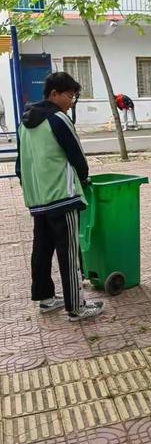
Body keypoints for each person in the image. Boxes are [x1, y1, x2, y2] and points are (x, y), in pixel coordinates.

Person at [17, 72, 104, 321]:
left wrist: (32, 189)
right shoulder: (58, 119)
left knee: (42, 250)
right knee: (68, 252)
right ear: (54, 94)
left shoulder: (24, 123)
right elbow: (77, 156)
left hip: (37, 198)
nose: (71, 101)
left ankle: (45, 298)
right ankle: (76, 307)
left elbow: (19, 165)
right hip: (62, 197)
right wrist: (84, 178)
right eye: (70, 96)